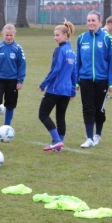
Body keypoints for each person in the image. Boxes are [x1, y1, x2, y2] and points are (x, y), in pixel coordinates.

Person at [75, 10, 112, 148]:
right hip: (85, 79)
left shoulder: (106, 38)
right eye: (89, 20)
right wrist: (76, 80)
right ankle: (89, 138)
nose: (91, 23)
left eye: (93, 20)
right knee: (87, 108)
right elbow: (77, 61)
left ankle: (97, 135)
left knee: (99, 109)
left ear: (99, 22)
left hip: (102, 80)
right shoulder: (81, 39)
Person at [37, 20, 77, 152]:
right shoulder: (71, 51)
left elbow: (55, 70)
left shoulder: (59, 50)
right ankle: (58, 147)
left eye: (57, 35)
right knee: (60, 117)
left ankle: (57, 141)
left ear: (65, 35)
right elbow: (74, 73)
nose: (55, 38)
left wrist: (44, 84)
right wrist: (72, 91)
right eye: (54, 35)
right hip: (66, 91)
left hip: (55, 89)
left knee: (43, 114)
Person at [0, 23, 26, 133]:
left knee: (10, 104)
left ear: (14, 34)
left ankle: (7, 126)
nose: (9, 37)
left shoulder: (18, 49)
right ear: (3, 34)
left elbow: (22, 65)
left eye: (11, 35)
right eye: (7, 35)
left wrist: (20, 80)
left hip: (13, 80)